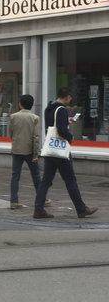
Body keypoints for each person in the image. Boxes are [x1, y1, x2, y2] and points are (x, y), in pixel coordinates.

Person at [34, 87, 98, 219]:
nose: (71, 99)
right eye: (70, 97)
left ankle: (38, 209)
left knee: (46, 181)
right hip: (61, 150)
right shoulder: (61, 109)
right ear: (67, 97)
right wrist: (70, 137)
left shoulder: (49, 108)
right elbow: (62, 130)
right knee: (70, 180)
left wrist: (67, 121)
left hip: (50, 149)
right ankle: (81, 209)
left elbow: (53, 126)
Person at [9, 94, 51, 210]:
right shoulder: (35, 118)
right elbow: (36, 137)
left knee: (15, 176)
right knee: (36, 175)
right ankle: (43, 198)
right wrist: (35, 153)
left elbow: (10, 133)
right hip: (29, 151)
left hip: (17, 149)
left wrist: (15, 142)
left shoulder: (13, 116)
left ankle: (13, 201)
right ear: (31, 105)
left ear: (20, 104)